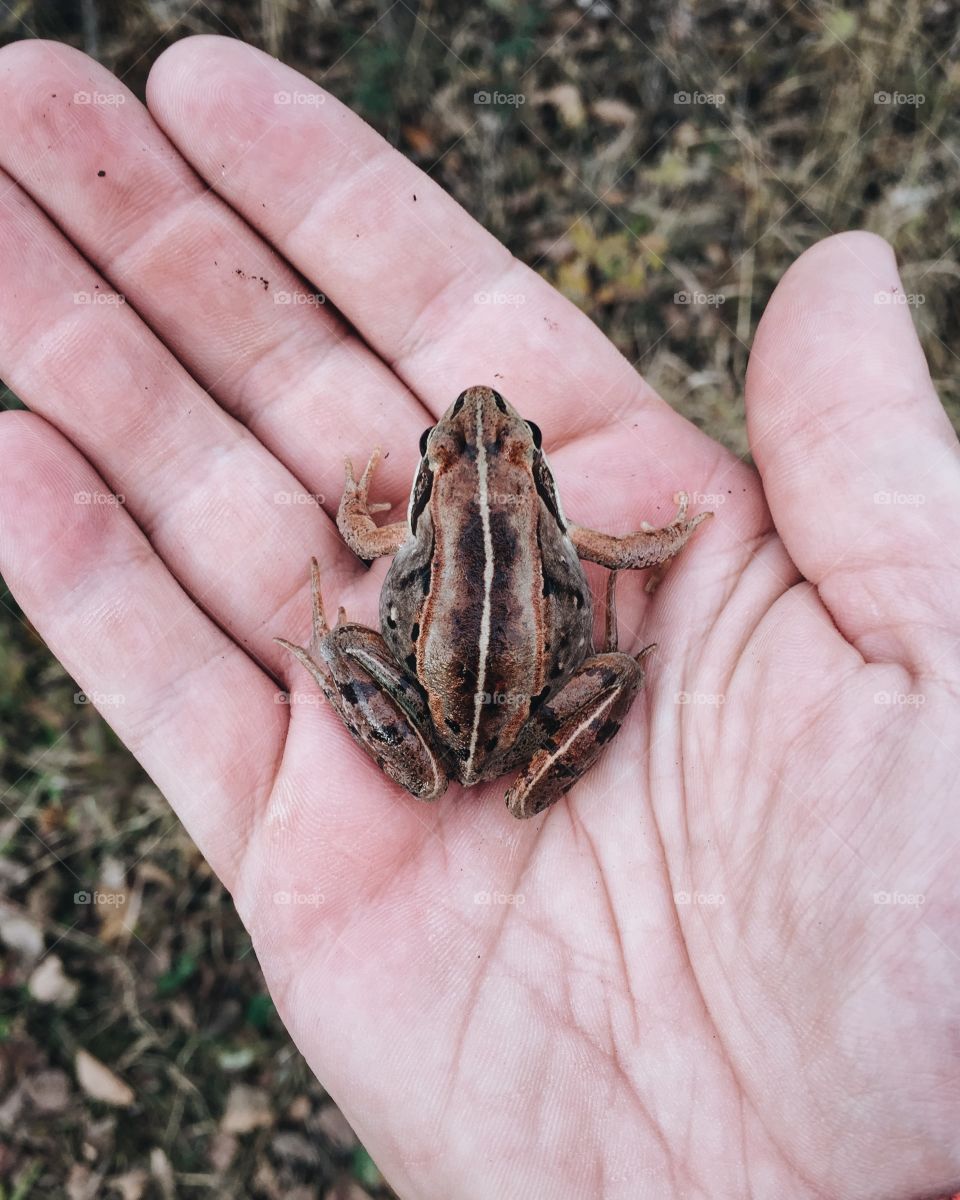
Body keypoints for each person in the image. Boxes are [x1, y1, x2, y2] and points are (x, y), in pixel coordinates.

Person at [0, 34, 956, 1200]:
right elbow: (634, 546)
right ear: (534, 483)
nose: (478, 430)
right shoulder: (565, 531)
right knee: (626, 666)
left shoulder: (416, 525)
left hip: (428, 722)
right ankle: (539, 745)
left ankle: (373, 694)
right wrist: (678, 534)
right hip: (523, 721)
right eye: (462, 447)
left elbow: (363, 536)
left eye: (476, 447)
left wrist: (367, 502)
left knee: (343, 642)